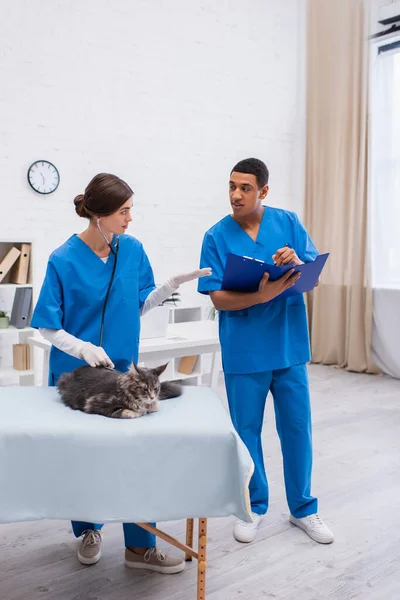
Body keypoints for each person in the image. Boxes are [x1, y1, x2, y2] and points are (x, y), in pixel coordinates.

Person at [31, 172, 211, 572]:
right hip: (77, 377)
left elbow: (139, 305)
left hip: (126, 377)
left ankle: (140, 547)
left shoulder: (131, 250)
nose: (130, 218)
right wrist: (80, 347)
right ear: (98, 215)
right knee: (86, 459)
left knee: (138, 456)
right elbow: (45, 323)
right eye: (123, 211)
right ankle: (88, 528)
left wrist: (168, 286)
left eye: (131, 209)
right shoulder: (62, 259)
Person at [198, 158, 334, 545]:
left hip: (288, 346)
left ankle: (304, 509)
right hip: (244, 349)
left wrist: (299, 262)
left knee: (296, 429)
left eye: (245, 188)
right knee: (246, 432)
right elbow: (218, 299)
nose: (236, 195)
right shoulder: (216, 236)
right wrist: (259, 295)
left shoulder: (288, 222)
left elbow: (312, 278)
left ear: (264, 191)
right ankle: (254, 506)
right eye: (231, 187)